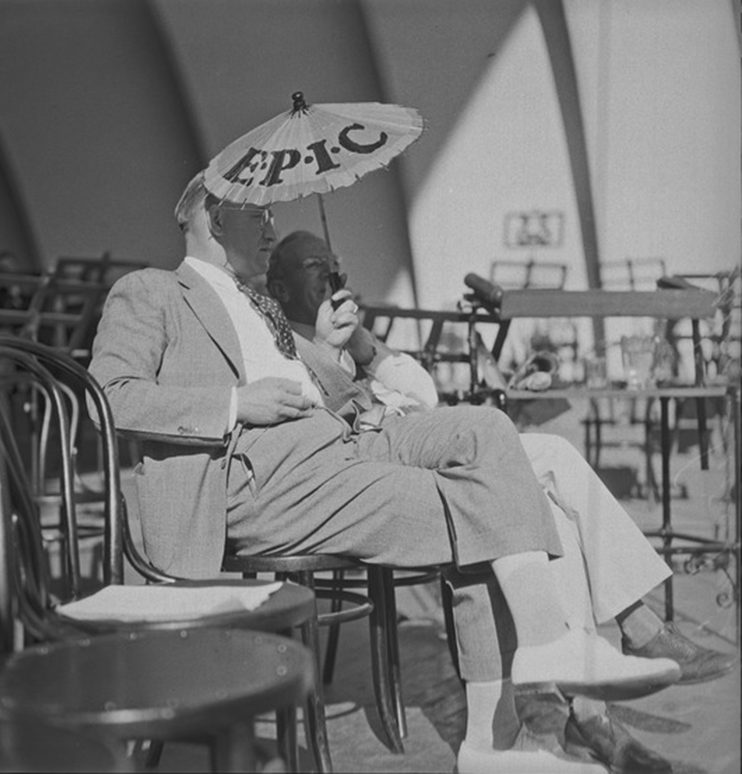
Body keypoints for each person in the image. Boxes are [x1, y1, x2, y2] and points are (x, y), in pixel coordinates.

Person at [89, 172, 682, 774]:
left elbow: (343, 386)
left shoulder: (259, 304)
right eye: (259, 215)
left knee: (486, 431)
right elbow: (107, 396)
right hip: (264, 474)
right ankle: (498, 739)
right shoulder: (153, 290)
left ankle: (538, 661)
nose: (271, 227)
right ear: (216, 220)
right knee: (481, 504)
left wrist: (350, 349)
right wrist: (238, 403)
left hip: (348, 444)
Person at [265, 229, 738, 773]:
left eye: (332, 264)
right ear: (279, 286)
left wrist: (363, 346)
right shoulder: (280, 345)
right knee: (538, 475)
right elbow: (320, 436)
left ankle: (606, 689)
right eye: (312, 267)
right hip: (383, 475)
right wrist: (329, 352)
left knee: (555, 474)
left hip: (431, 448)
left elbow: (424, 394)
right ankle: (621, 664)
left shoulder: (347, 336)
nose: (331, 276)